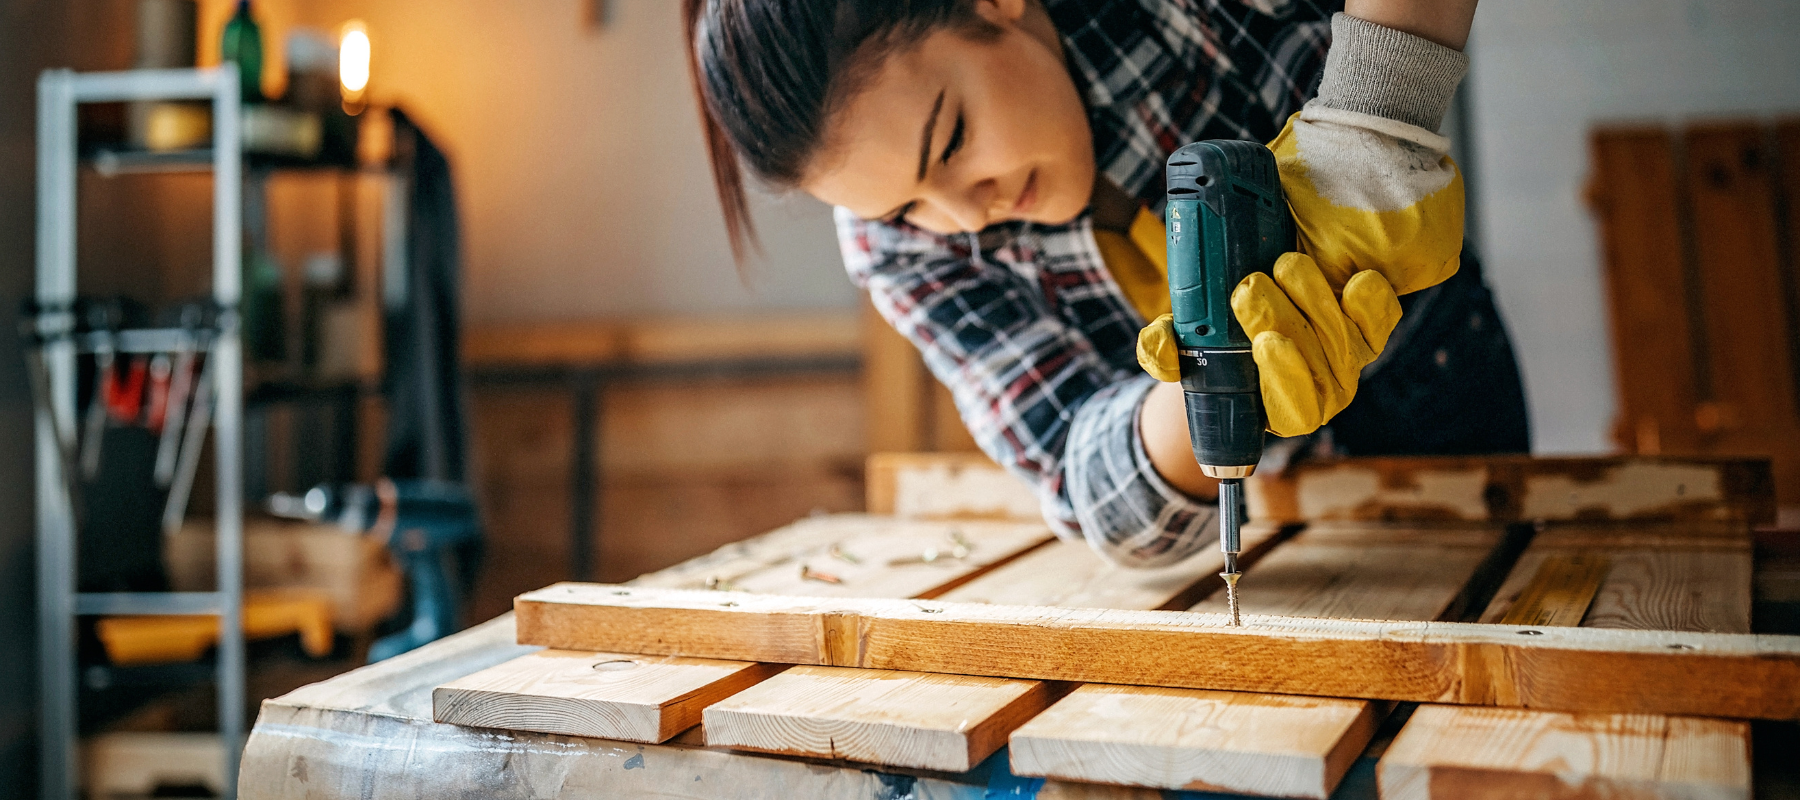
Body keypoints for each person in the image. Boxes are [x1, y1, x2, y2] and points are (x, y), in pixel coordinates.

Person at [683, 0, 1529, 566]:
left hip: (1435, 375)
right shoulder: (891, 248)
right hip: (1260, 511)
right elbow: (1078, 478)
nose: (965, 220)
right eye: (909, 208)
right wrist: (1203, 401)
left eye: (951, 143)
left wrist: (1371, 128)